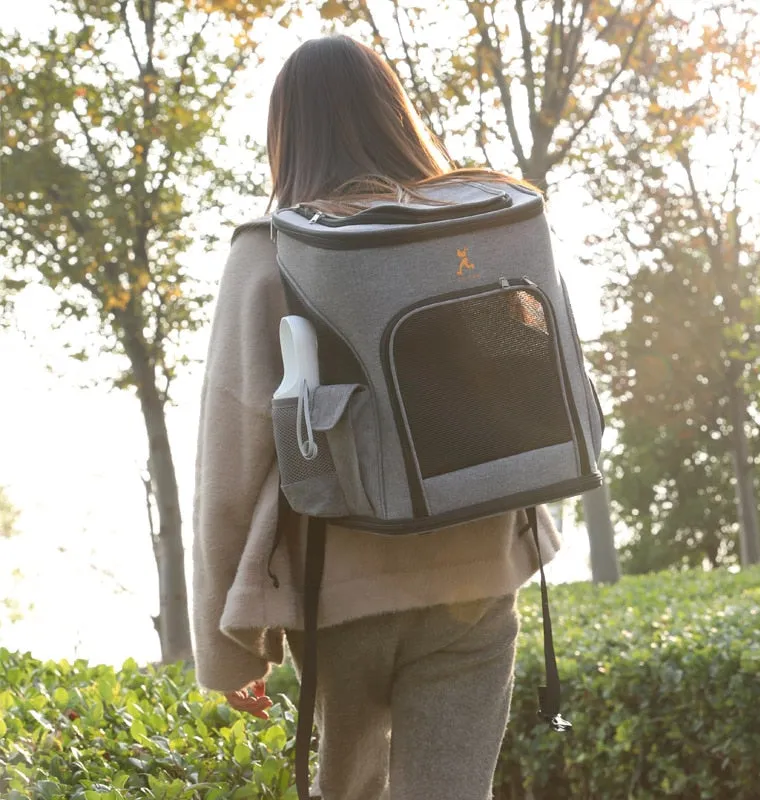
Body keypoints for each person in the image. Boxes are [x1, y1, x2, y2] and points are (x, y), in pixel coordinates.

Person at [192, 34, 561, 800]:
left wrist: (227, 656)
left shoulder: (273, 252)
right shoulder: (475, 231)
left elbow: (230, 460)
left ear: (287, 133)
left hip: (339, 588)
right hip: (478, 571)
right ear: (393, 112)